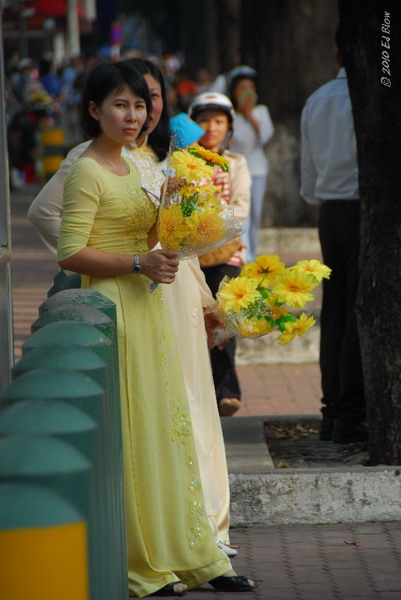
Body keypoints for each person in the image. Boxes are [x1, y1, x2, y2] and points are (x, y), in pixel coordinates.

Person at [28, 60, 245, 571]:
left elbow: (154, 236)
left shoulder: (141, 161)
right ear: (94, 110)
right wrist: (133, 262)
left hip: (156, 300)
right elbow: (66, 246)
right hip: (116, 303)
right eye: (121, 104)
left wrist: (182, 222)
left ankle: (189, 546)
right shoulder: (86, 165)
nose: (134, 115)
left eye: (142, 104)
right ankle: (138, 558)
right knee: (134, 429)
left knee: (170, 425)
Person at [300, 36, 367, 445]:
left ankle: (334, 411)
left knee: (338, 307)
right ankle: (351, 412)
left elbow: (309, 179)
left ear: (336, 55)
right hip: (363, 212)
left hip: (330, 212)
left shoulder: (317, 99)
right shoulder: (370, 100)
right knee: (360, 309)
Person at [189, 92, 251, 417]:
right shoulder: (183, 162)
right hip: (190, 257)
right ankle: (201, 392)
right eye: (204, 120)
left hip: (227, 254)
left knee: (224, 321)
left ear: (228, 126)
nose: (210, 127)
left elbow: (241, 208)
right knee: (197, 321)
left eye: (218, 121)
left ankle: (227, 391)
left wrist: (211, 227)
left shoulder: (237, 164)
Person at [229, 68, 274, 262]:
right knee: (241, 213)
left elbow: (265, 136)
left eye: (250, 88)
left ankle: (253, 254)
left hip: (258, 171)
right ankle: (243, 254)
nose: (246, 92)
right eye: (242, 88)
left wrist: (250, 117)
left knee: (255, 214)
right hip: (237, 172)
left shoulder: (261, 111)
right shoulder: (230, 115)